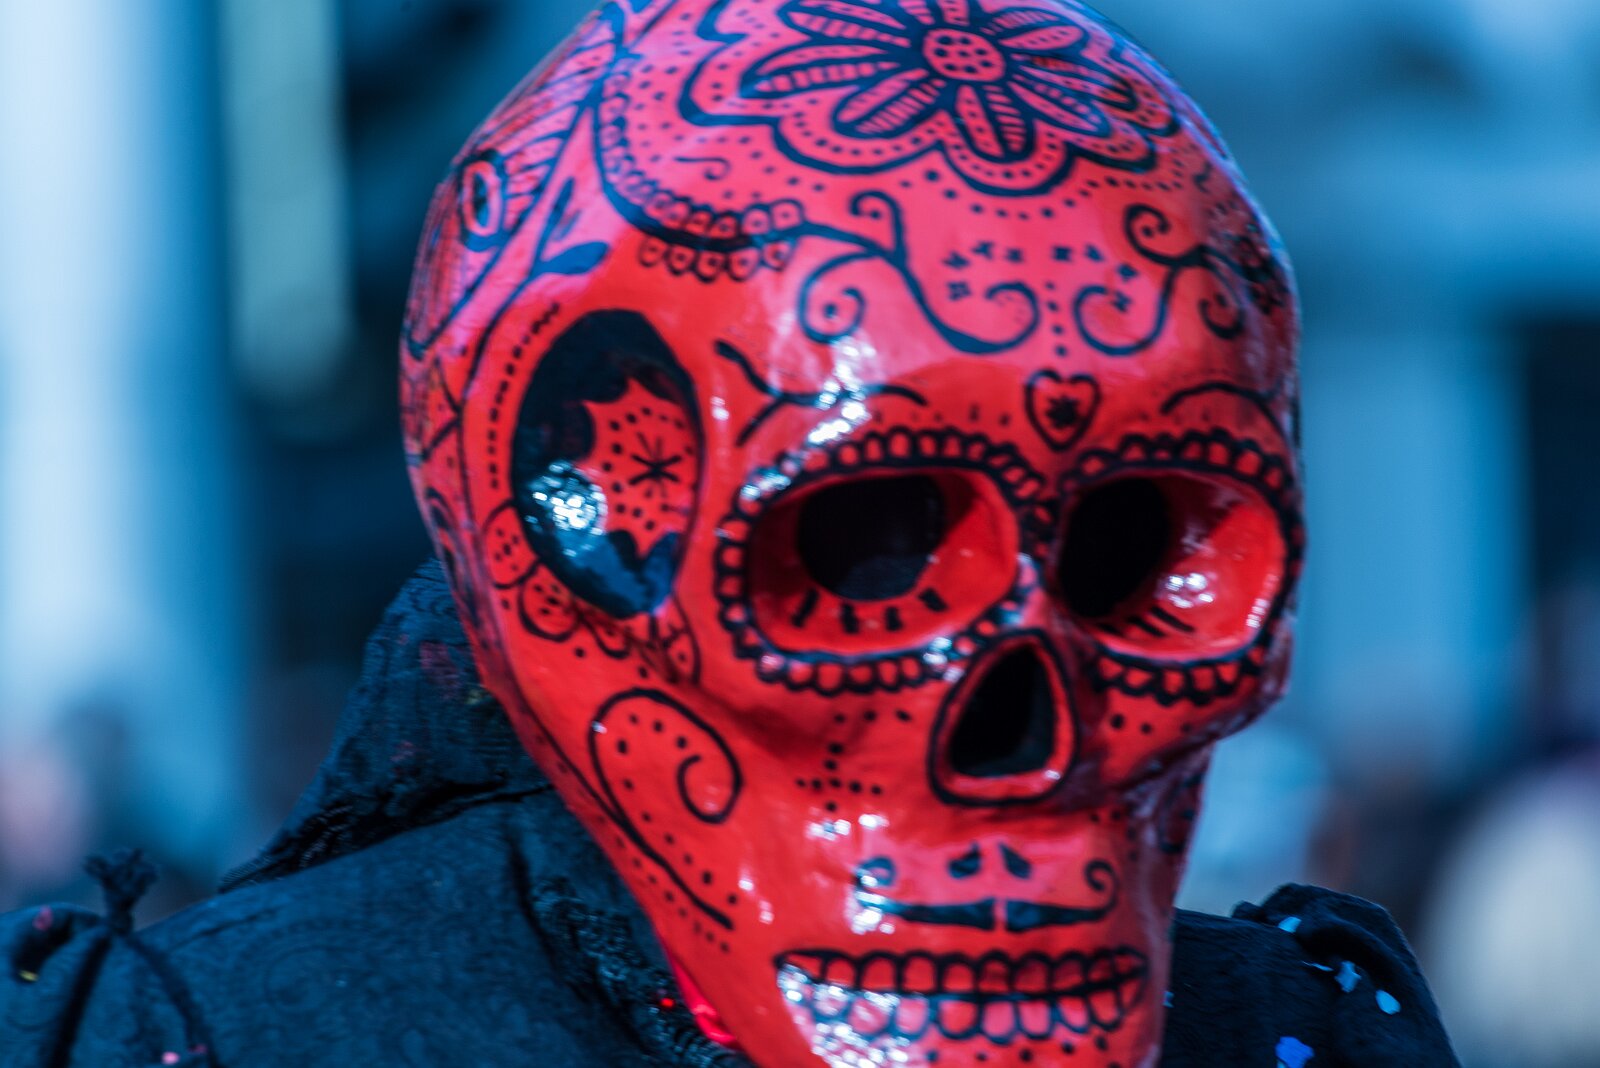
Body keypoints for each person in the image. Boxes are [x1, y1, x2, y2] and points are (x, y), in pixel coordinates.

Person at [0, 0, 1459, 1064]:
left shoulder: (1287, 1034)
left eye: (1134, 548)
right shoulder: (228, 1038)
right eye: (856, 548)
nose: (1024, 737)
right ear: (570, 539)